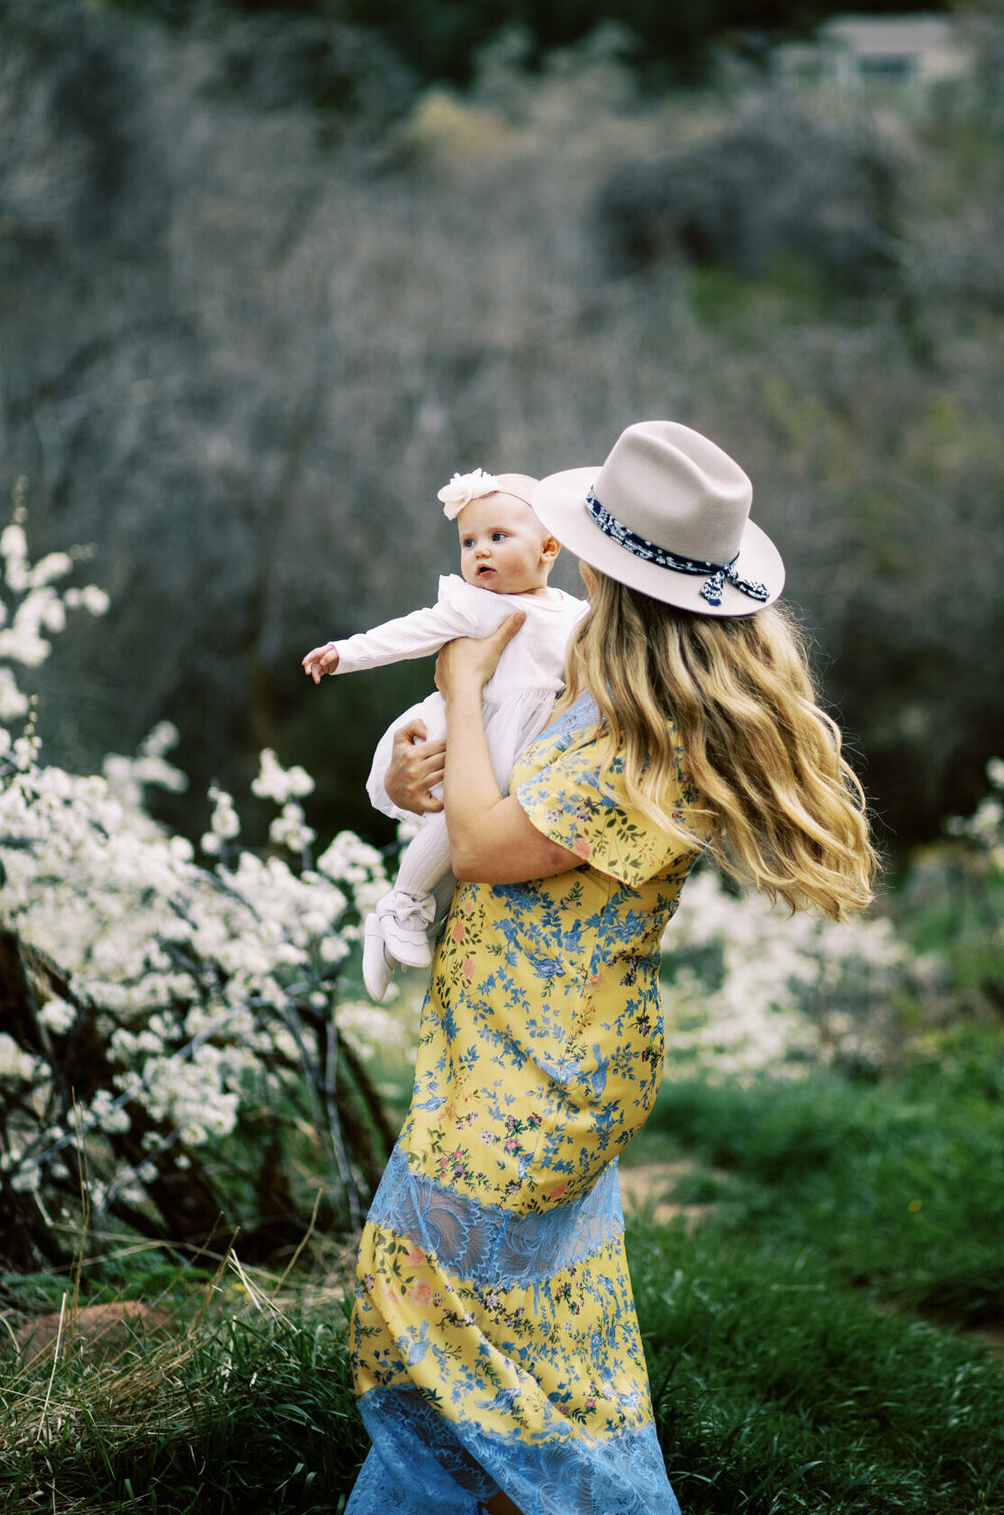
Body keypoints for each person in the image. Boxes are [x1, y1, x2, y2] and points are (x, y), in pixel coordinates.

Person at [343, 420, 878, 1515]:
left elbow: (492, 850)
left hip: (540, 1067)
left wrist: (456, 680)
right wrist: (413, 777)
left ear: (605, 564)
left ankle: (567, 1497)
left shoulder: (654, 736)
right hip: (521, 1044)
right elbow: (478, 796)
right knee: (529, 1322)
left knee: (427, 1288)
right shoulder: (591, 672)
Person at [303, 470, 588, 1001]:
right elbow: (409, 633)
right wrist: (345, 653)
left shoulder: (576, 615)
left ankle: (418, 920)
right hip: (477, 726)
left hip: (529, 734)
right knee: (458, 817)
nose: (480, 551)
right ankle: (402, 901)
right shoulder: (472, 606)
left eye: (498, 537)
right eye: (468, 542)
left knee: (488, 829)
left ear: (549, 547)